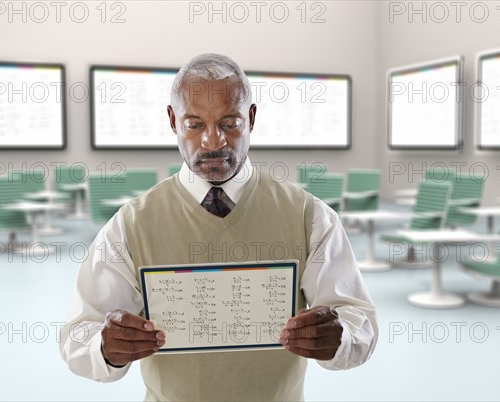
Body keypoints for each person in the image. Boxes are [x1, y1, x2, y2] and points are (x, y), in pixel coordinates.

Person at [60, 53, 378, 401]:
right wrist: (105, 349)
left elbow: (358, 321)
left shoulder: (310, 217)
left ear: (251, 118)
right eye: (194, 125)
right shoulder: (130, 225)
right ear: (172, 121)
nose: (213, 142)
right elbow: (78, 334)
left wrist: (341, 337)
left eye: (229, 123)